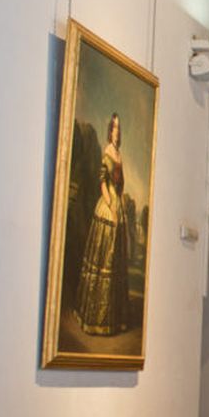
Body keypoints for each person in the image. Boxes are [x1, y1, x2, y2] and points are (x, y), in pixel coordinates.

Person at [75, 113, 132, 335]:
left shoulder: (120, 154)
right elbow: (102, 180)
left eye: (119, 127)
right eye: (114, 127)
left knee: (116, 264)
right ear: (110, 130)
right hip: (107, 206)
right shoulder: (108, 151)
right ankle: (95, 317)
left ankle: (113, 319)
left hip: (117, 202)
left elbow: (121, 185)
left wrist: (121, 206)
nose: (117, 131)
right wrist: (111, 206)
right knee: (102, 262)